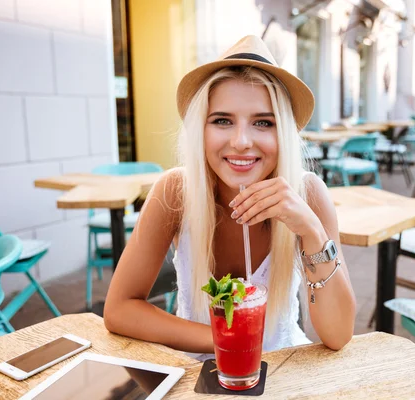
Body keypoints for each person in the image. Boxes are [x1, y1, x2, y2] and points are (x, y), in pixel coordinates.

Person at [104, 35, 356, 355]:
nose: (240, 141)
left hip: (284, 370)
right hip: (195, 370)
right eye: (222, 120)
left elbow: (338, 335)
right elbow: (119, 309)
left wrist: (312, 230)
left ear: (283, 134)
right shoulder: (174, 192)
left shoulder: (308, 194)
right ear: (202, 129)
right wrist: (227, 338)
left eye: (263, 123)